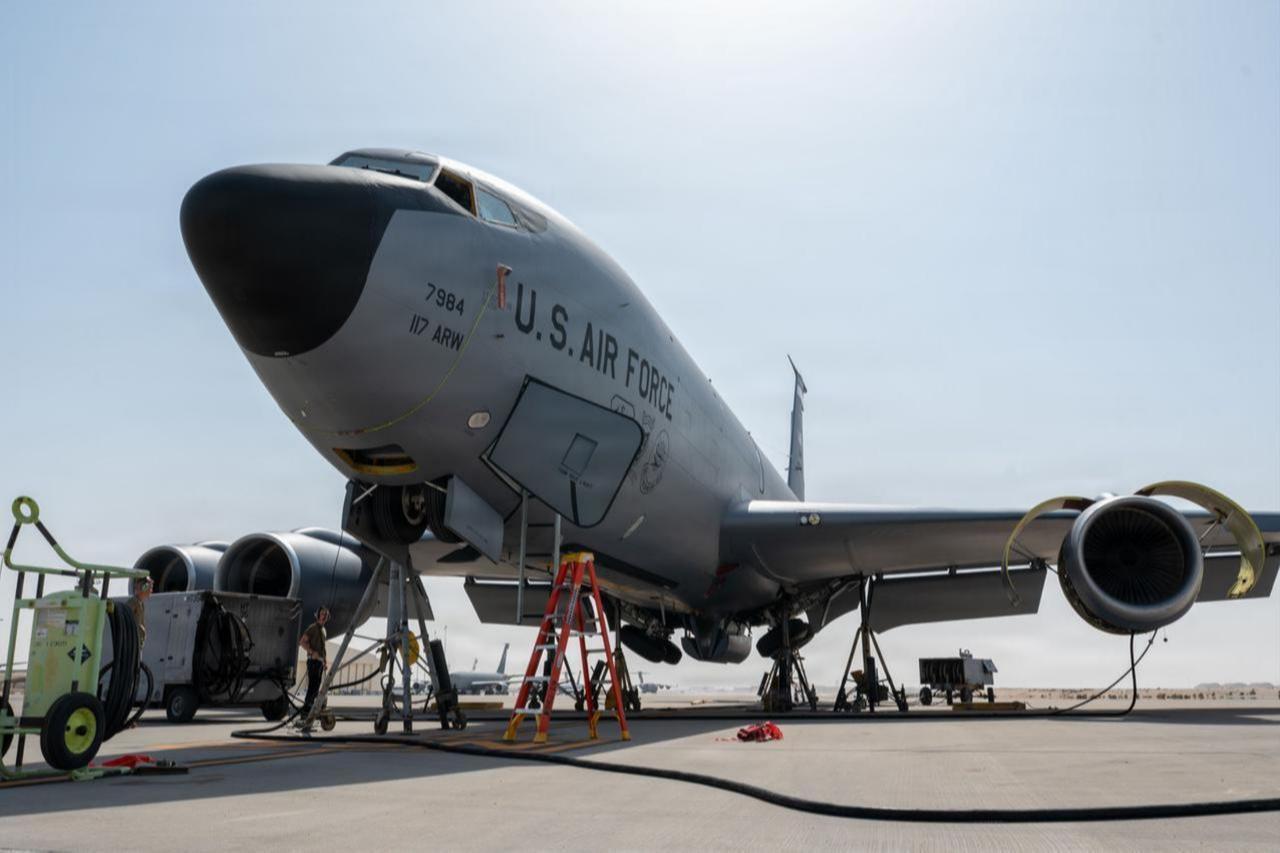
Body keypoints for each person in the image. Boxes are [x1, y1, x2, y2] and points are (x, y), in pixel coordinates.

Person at [298, 606, 330, 720]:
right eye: (322, 614)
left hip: (320, 663)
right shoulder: (312, 628)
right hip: (313, 661)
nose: (324, 616)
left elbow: (322, 647)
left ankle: (311, 711)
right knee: (312, 688)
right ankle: (305, 713)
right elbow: (302, 642)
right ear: (318, 615)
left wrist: (324, 660)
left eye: (326, 615)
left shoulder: (323, 630)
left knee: (316, 688)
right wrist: (312, 652)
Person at [126, 576, 152, 647]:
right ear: (144, 588)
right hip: (132, 643)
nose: (151, 590)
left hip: (137, 643)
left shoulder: (140, 603)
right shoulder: (133, 603)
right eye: (150, 587)